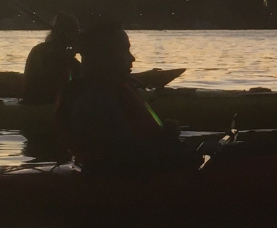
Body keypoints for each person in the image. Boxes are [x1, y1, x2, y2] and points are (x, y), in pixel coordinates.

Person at [60, 20, 193, 173]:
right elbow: (122, 157)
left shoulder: (113, 90)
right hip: (120, 181)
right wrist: (166, 137)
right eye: (124, 51)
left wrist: (164, 136)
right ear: (103, 55)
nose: (132, 58)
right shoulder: (94, 101)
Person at [22, 13, 81, 105]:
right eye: (75, 31)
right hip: (42, 101)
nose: (77, 35)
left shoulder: (45, 49)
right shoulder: (55, 53)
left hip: (36, 98)